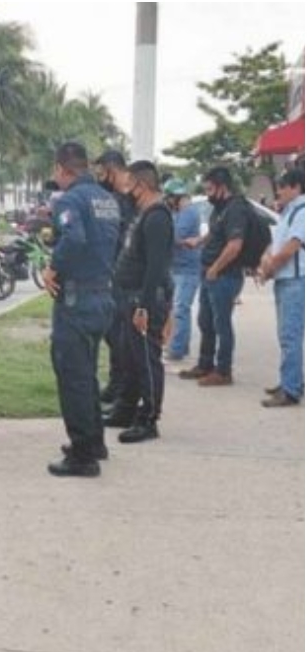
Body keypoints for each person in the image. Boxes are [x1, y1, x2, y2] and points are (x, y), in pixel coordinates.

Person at [41, 142, 120, 477]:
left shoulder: (71, 199)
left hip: (76, 299)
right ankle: (95, 441)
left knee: (73, 377)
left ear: (62, 168)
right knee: (86, 374)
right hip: (102, 295)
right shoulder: (108, 199)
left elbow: (73, 240)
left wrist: (52, 269)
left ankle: (83, 455)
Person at [103, 161, 174, 443]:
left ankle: (149, 418)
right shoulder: (143, 213)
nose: (126, 190)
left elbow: (156, 267)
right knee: (131, 357)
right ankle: (126, 409)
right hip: (129, 295)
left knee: (146, 360)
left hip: (143, 299)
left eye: (130, 184)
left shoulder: (157, 216)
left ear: (142, 185)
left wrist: (144, 306)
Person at [178, 167, 247, 387]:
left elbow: (235, 245)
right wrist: (198, 241)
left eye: (209, 189)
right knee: (205, 321)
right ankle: (205, 364)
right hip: (210, 273)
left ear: (222, 187)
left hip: (224, 275)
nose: (207, 194)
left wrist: (216, 268)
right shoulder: (220, 208)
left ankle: (223, 371)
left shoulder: (236, 208)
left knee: (221, 323)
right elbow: (216, 232)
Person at [256, 169, 304, 407]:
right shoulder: (289, 212)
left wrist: (267, 270)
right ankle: (291, 380)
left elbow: (289, 249)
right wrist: (266, 264)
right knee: (286, 334)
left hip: (295, 280)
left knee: (290, 335)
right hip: (284, 280)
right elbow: (275, 245)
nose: (279, 191)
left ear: (296, 188)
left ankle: (291, 390)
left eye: (283, 186)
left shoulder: (302, 212)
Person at [93, 149, 135, 408]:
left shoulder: (128, 198)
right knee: (113, 334)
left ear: (111, 169)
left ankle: (124, 392)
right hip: (112, 273)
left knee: (122, 336)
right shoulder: (113, 197)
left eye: (101, 172)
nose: (99, 178)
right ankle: (116, 384)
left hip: (124, 275)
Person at [164, 179, 201, 362]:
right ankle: (179, 346)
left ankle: (177, 349)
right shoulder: (178, 213)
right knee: (177, 309)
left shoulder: (188, 213)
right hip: (178, 267)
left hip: (187, 269)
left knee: (180, 309)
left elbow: (174, 236)